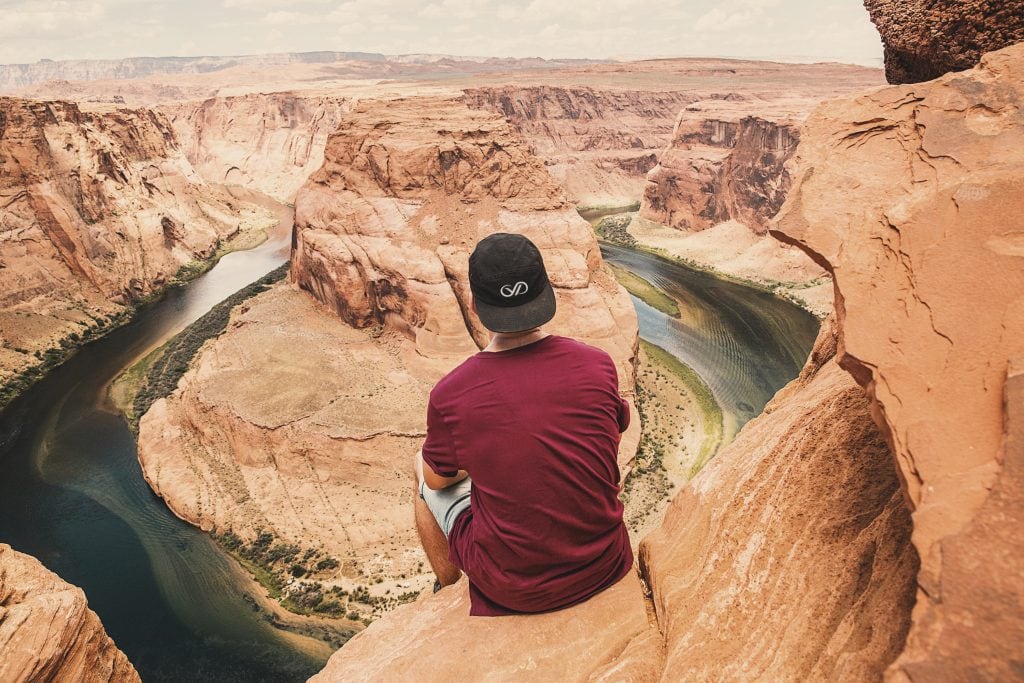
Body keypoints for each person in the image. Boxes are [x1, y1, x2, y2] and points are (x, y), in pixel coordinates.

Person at [413, 232, 633, 616]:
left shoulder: (453, 394)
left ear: (473, 304)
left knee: (421, 474)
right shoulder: (597, 363)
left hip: (518, 589)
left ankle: (448, 588)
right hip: (606, 563)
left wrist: (476, 458)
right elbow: (610, 432)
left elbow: (438, 481)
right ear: (547, 292)